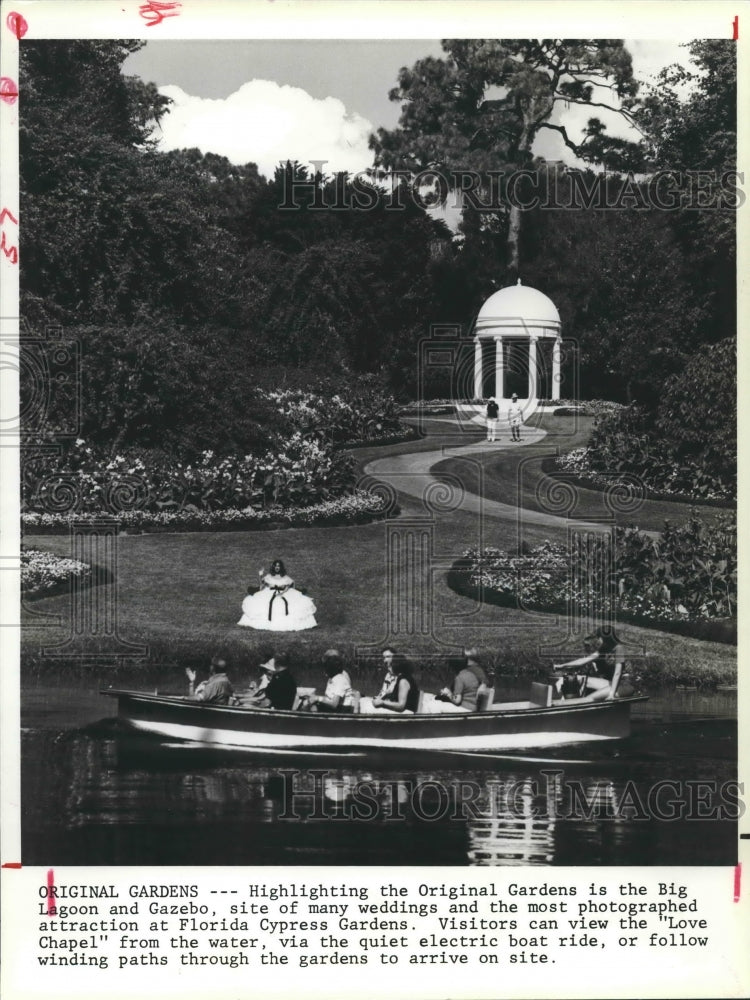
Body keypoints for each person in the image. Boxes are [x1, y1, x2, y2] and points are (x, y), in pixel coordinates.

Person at [237, 559, 317, 631]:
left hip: (283, 592)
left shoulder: (285, 578)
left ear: (281, 567)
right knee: (263, 604)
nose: (277, 568)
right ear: (273, 567)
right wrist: (260, 575)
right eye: (275, 566)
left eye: (278, 566)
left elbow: (288, 586)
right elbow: (262, 585)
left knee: (291, 604)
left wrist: (282, 593)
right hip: (270, 592)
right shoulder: (269, 576)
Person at [552, 629, 625, 701]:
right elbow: (583, 661)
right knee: (580, 679)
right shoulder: (604, 648)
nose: (598, 640)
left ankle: (573, 703)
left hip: (623, 685)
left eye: (598, 637)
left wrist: (612, 694)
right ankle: (561, 700)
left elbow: (617, 673)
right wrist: (562, 666)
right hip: (611, 683)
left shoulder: (619, 648)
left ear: (604, 638)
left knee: (590, 697)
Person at [361, 650, 420, 714]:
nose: (388, 668)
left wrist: (382, 703)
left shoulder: (403, 681)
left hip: (406, 713)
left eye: (390, 665)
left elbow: (401, 706)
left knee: (364, 704)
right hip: (402, 712)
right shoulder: (401, 678)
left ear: (397, 666)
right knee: (364, 701)